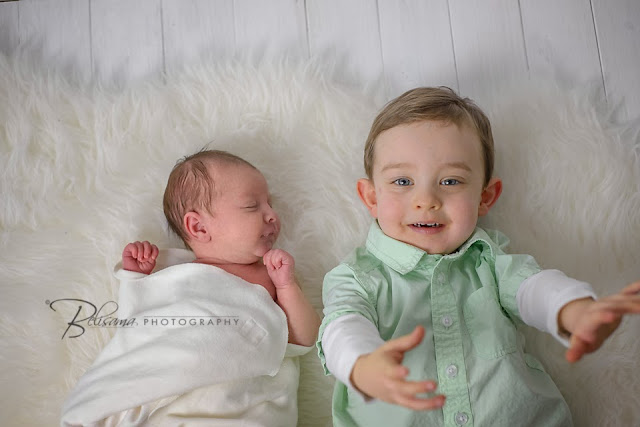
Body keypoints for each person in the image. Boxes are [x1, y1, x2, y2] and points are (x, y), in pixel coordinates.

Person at [316, 87, 640, 427]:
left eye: (450, 181)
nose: (426, 200)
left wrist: (573, 310)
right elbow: (343, 324)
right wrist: (362, 363)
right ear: (371, 197)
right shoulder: (356, 277)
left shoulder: (490, 262)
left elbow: (534, 288)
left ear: (485, 196)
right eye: (402, 181)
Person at [61, 149, 320, 426]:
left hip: (243, 402)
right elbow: (138, 326)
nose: (271, 215)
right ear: (198, 227)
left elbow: (306, 338)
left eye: (270, 204)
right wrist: (136, 278)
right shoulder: (175, 275)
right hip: (174, 399)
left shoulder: (272, 277)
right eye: (252, 206)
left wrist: (287, 285)